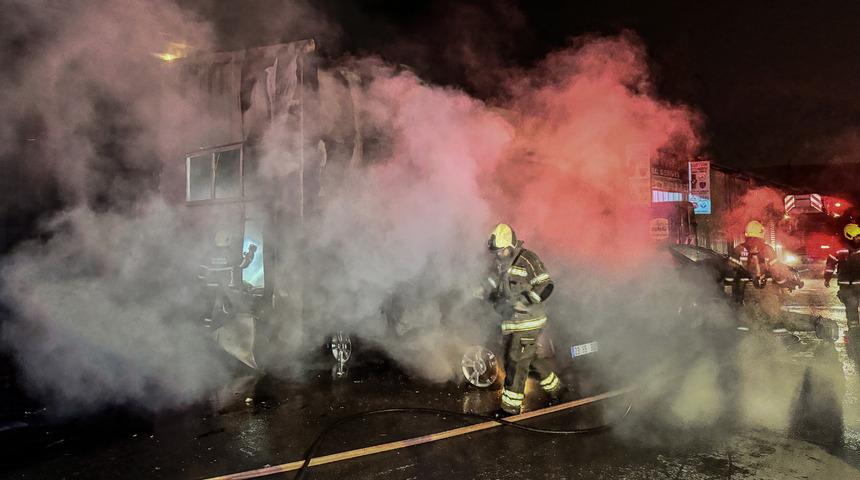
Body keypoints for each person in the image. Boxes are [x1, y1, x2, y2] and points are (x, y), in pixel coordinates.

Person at [484, 223, 561, 415]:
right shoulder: (501, 263)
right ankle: (557, 389)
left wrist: (526, 301)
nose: (498, 254)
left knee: (517, 362)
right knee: (530, 357)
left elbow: (546, 285)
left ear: (510, 246)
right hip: (513, 322)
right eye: (497, 252)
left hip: (529, 321)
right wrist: (488, 293)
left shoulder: (528, 259)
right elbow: (497, 286)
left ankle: (510, 408)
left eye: (501, 251)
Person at [727, 220, 801, 328]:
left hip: (742, 293)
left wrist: (732, 288)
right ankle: (774, 338)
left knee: (744, 318)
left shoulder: (738, 249)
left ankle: (744, 337)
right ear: (762, 234)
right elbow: (777, 272)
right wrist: (787, 283)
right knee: (771, 317)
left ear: (746, 234)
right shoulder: (768, 250)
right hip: (766, 291)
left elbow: (730, 271)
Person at [825, 223, 860, 348]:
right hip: (847, 287)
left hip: (852, 285)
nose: (858, 239)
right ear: (848, 236)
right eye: (856, 236)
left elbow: (830, 264)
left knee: (851, 307)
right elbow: (830, 264)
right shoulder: (838, 248)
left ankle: (854, 333)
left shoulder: (839, 247)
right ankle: (854, 332)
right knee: (851, 308)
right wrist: (827, 277)